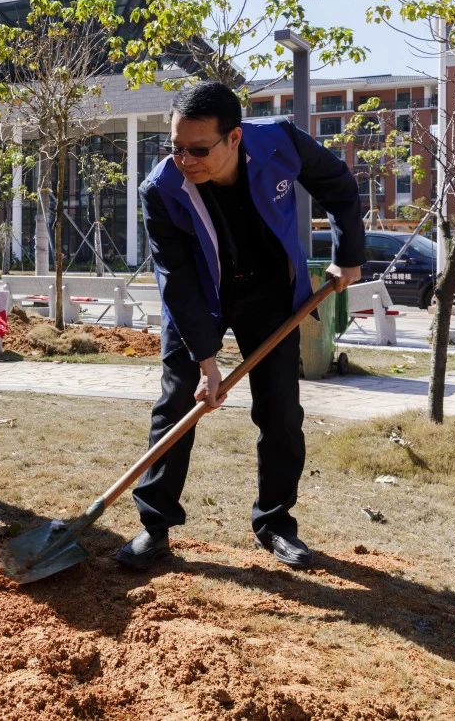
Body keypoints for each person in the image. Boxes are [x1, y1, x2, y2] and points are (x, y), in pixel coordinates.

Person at [119, 81, 364, 571]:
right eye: (176, 147)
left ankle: (275, 522)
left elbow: (338, 184)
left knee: (279, 409)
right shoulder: (161, 189)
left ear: (234, 138)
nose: (185, 160)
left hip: (270, 293)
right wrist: (207, 362)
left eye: (198, 149)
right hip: (201, 298)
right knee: (175, 402)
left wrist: (348, 258)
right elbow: (176, 280)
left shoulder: (280, 142)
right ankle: (156, 526)